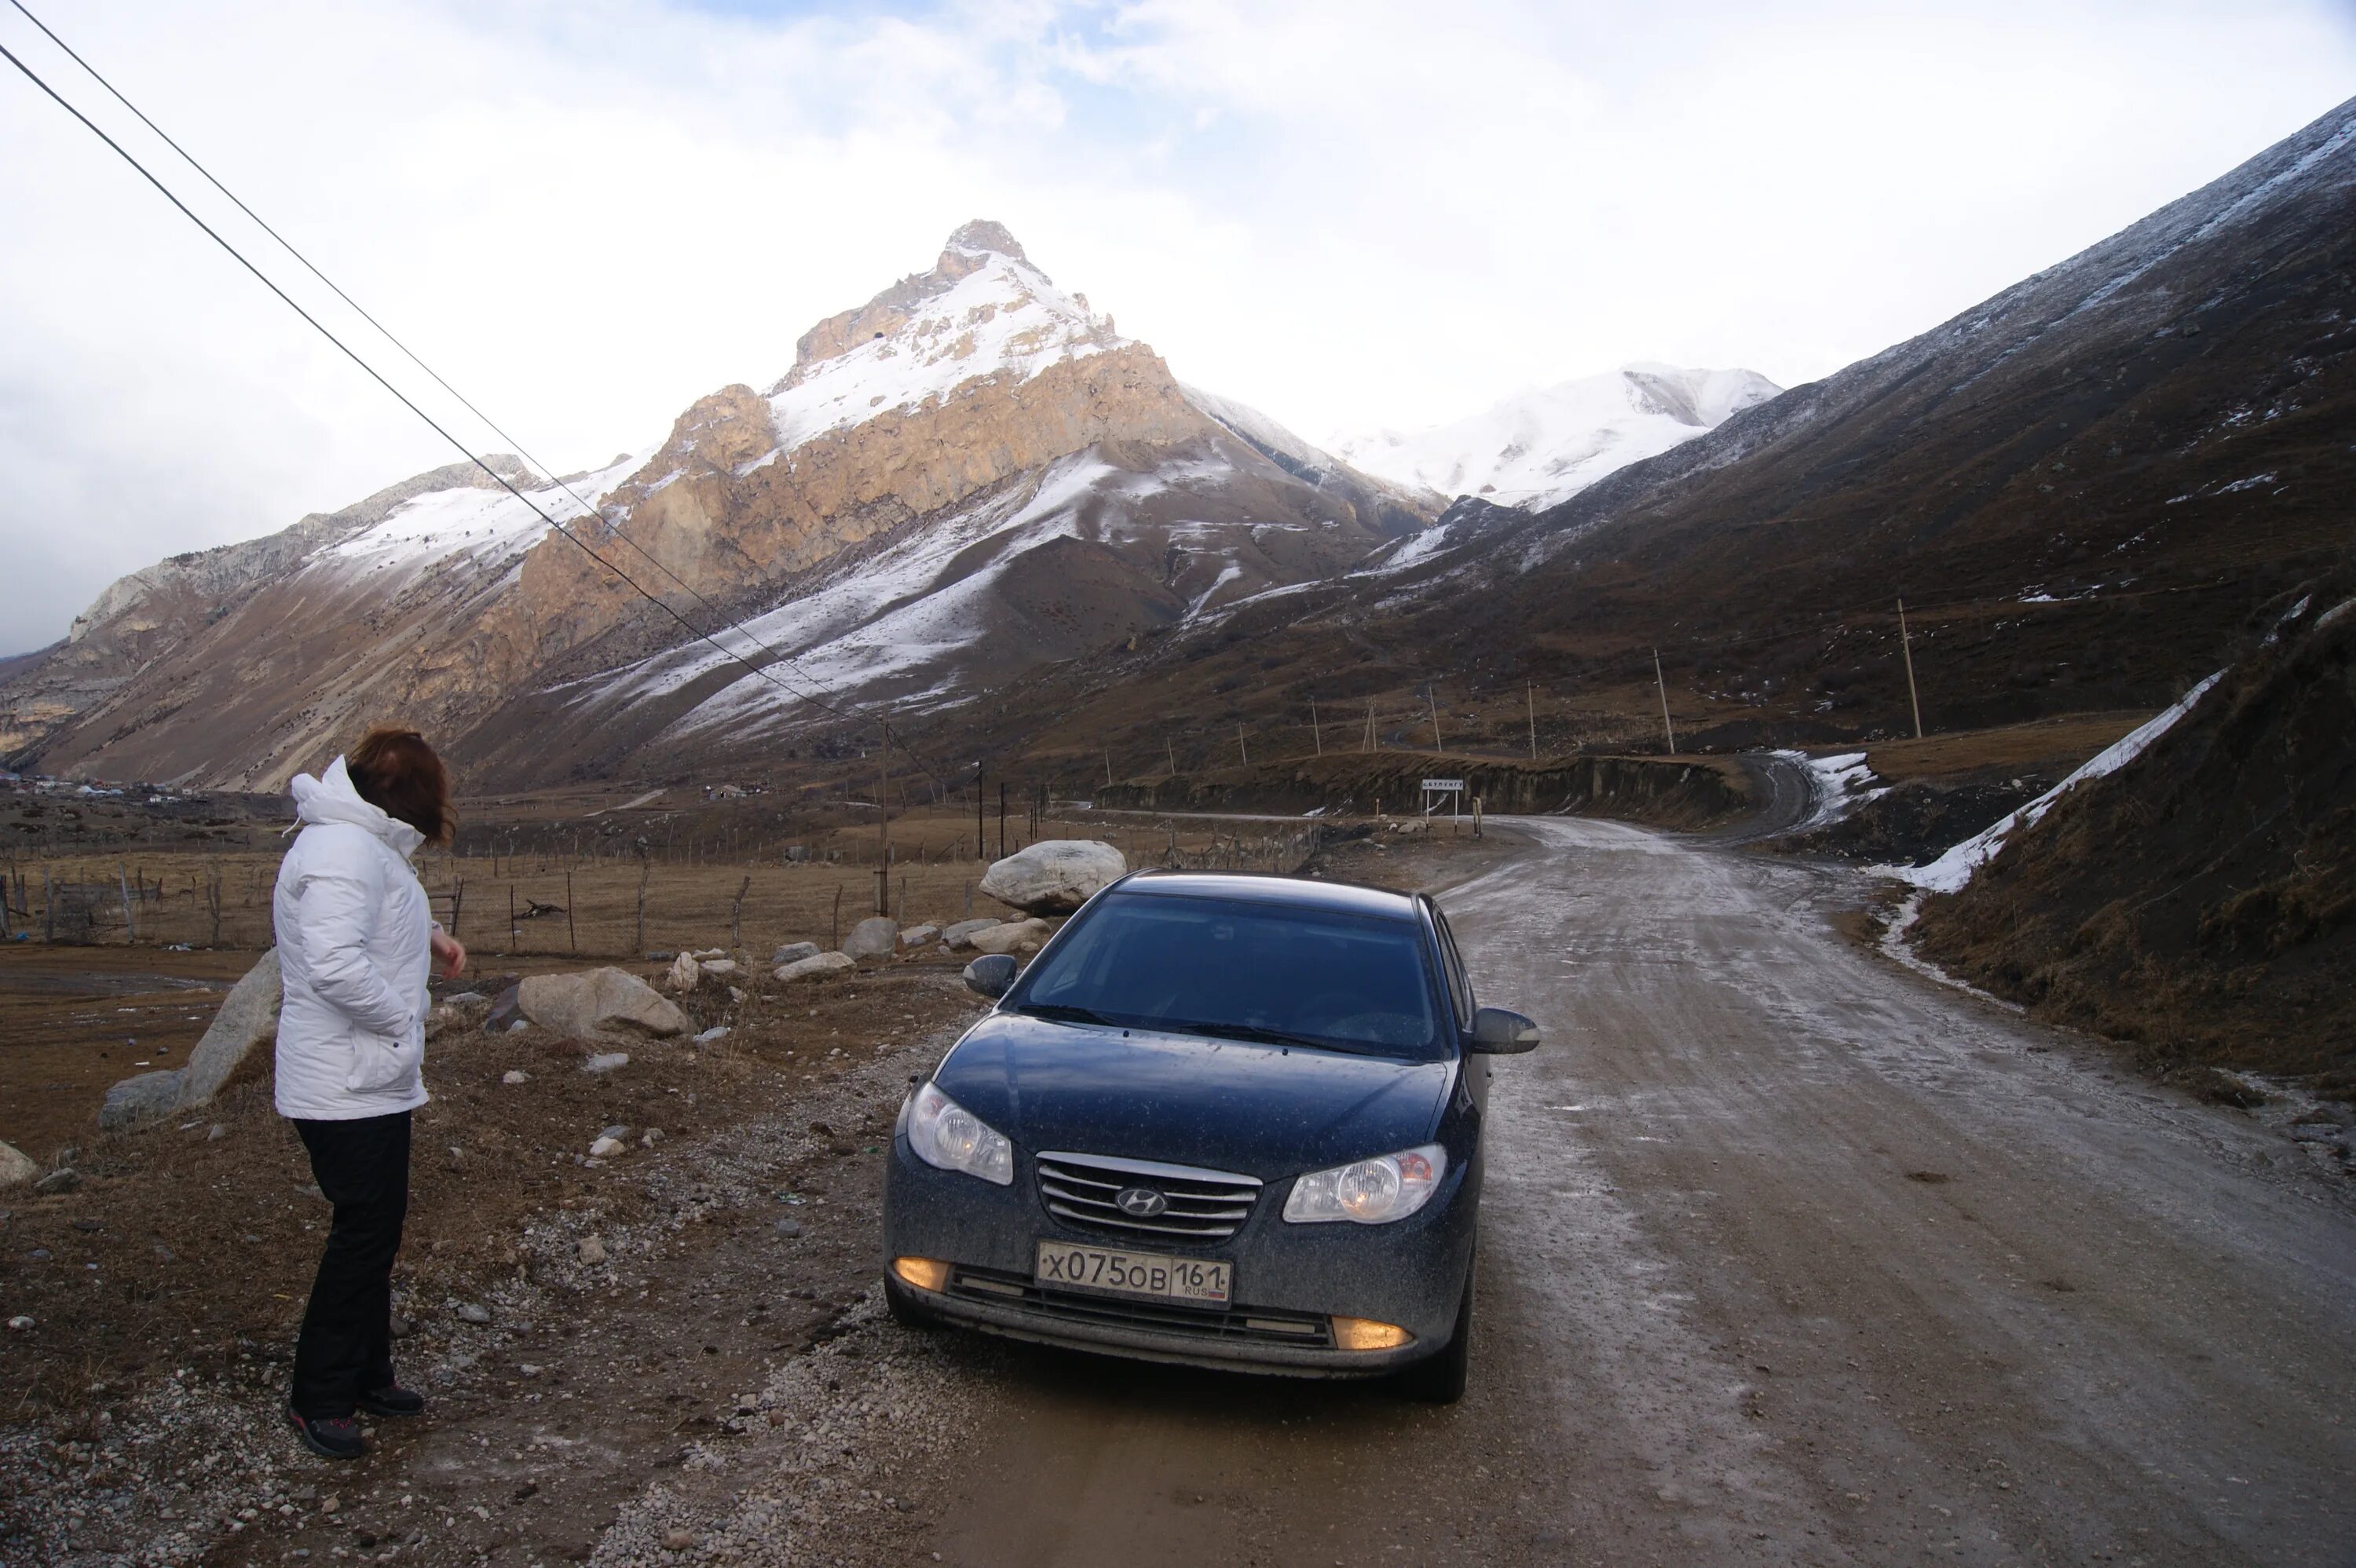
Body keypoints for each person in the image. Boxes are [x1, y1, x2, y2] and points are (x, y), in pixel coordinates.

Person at [271, 726, 465, 1460]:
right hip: (343, 1084)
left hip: (365, 1078)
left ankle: (367, 1373)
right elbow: (334, 964)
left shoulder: (359, 844)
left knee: (376, 1230)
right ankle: (318, 1395)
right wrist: (402, 1016)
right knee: (361, 1234)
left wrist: (434, 937)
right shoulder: (342, 851)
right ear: (407, 793)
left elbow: (378, 916)